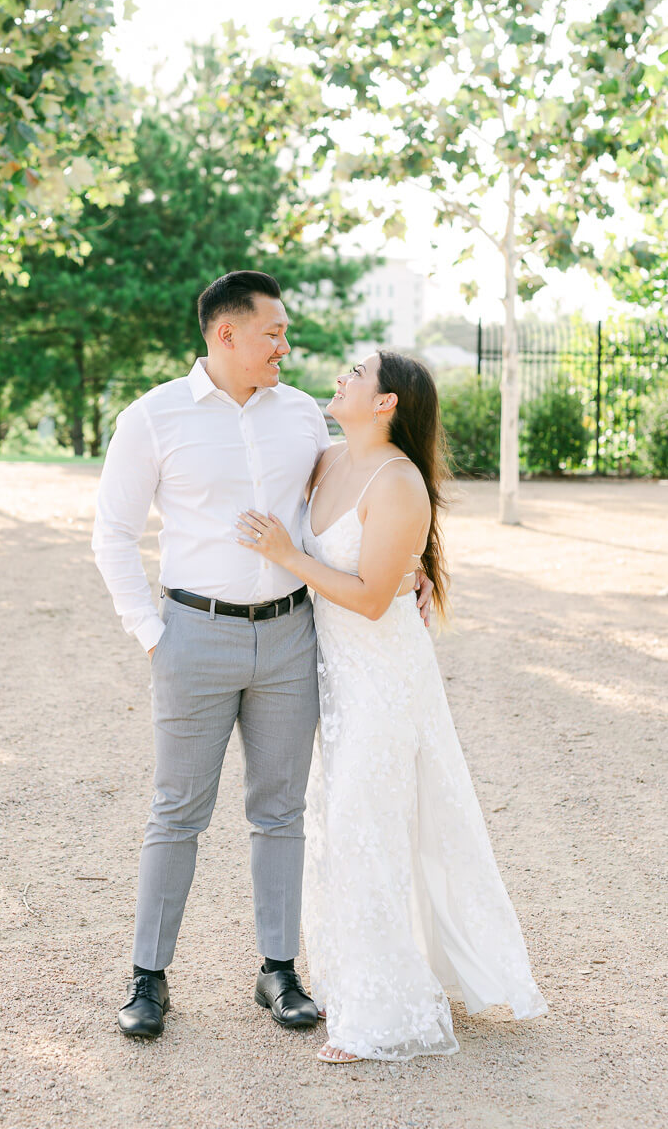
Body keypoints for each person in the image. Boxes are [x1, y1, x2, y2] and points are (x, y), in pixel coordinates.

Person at [92, 270, 436, 1039]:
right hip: (193, 635)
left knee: (281, 812)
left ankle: (278, 971)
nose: (288, 344)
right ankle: (148, 978)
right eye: (275, 332)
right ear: (228, 336)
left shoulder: (304, 421)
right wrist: (152, 633)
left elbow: (367, 491)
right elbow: (112, 533)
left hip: (290, 638)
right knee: (176, 811)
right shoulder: (153, 418)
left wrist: (414, 570)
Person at [236, 350, 548, 1063]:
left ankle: (381, 1015)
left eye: (356, 372)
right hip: (334, 677)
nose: (341, 376)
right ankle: (367, 977)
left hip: (381, 676)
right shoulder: (325, 460)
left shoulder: (399, 480)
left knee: (362, 828)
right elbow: (403, 561)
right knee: (343, 824)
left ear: (387, 404)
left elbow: (374, 598)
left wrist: (288, 554)